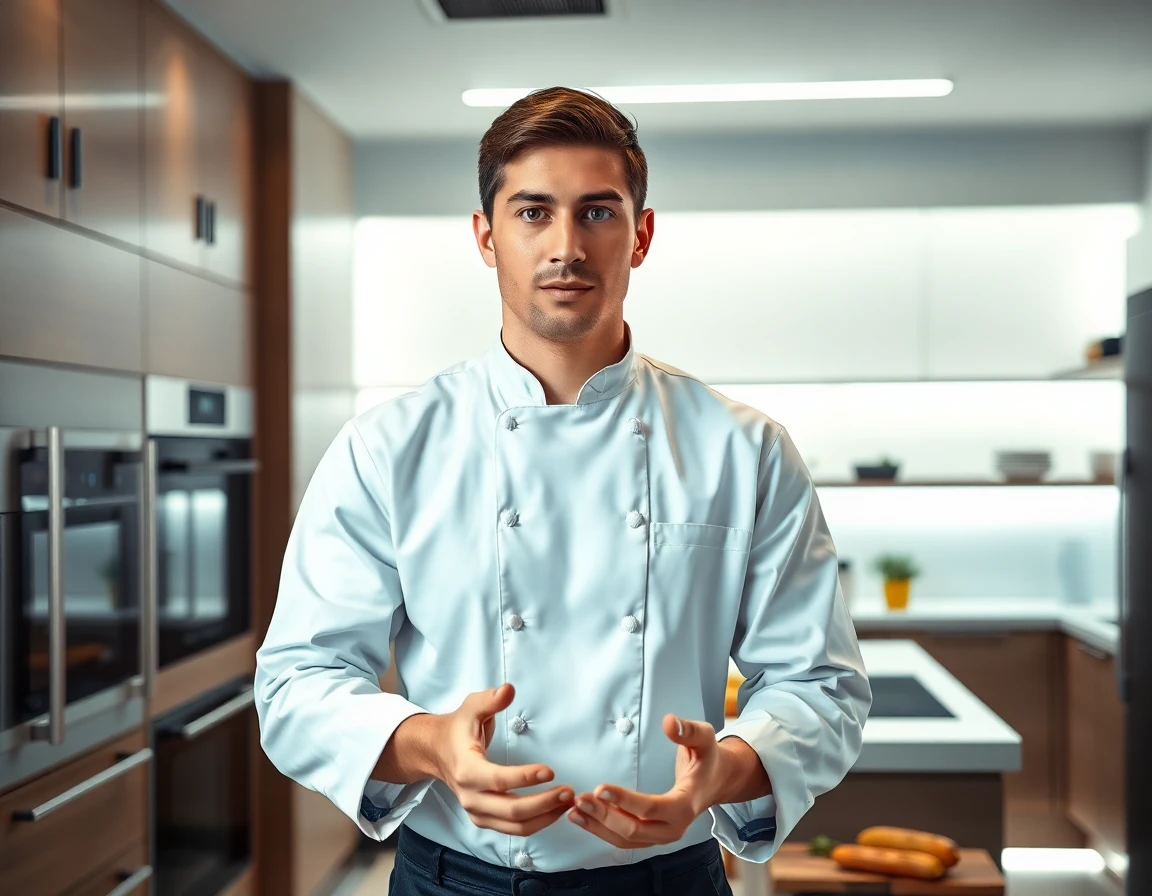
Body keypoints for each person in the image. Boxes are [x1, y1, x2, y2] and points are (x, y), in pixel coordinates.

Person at [255, 86, 871, 896]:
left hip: (668, 881)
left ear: (641, 235)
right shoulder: (388, 447)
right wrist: (433, 743)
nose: (567, 247)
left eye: (599, 213)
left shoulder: (744, 448)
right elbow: (298, 680)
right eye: (534, 213)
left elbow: (819, 686)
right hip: (451, 881)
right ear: (486, 236)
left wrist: (721, 775)